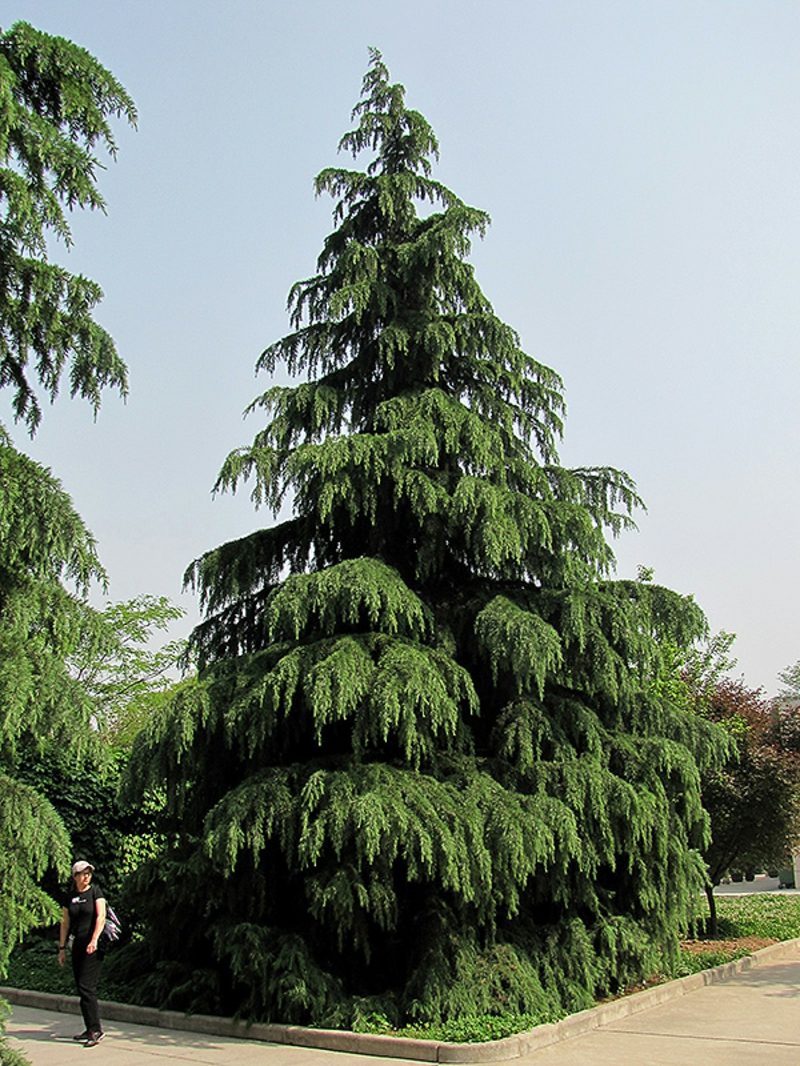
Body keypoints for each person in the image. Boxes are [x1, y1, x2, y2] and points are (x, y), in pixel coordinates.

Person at [57, 860, 107, 1048]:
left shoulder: (95, 892)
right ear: (75, 876)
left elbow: (101, 917)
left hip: (93, 946)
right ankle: (89, 1028)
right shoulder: (70, 897)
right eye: (82, 873)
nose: (86, 877)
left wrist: (94, 939)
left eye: (88, 873)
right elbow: (65, 923)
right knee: (81, 987)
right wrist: (61, 948)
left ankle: (96, 1030)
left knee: (87, 987)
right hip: (77, 945)